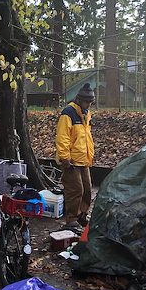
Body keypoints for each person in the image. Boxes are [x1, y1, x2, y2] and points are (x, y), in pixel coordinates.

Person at [56, 83, 95, 236]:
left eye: (91, 102)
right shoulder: (68, 112)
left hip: (83, 159)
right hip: (71, 160)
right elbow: (63, 136)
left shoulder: (87, 114)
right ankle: (71, 218)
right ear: (79, 99)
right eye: (87, 102)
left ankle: (82, 216)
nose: (89, 105)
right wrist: (65, 157)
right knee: (75, 189)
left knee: (87, 189)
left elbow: (86, 137)